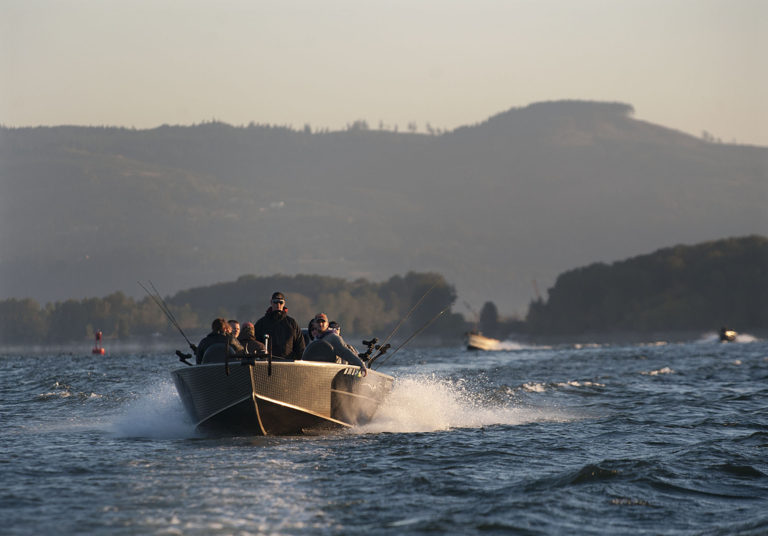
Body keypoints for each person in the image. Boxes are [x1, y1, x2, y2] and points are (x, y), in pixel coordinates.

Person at [253, 292, 305, 359]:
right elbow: (254, 345)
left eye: (281, 302)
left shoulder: (292, 323)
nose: (278, 305)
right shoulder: (261, 323)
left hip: (288, 365)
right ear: (271, 302)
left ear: (284, 303)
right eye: (275, 302)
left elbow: (300, 347)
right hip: (267, 364)